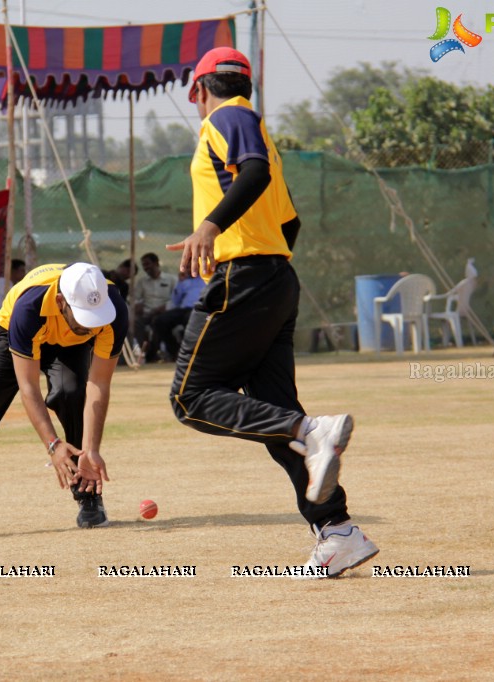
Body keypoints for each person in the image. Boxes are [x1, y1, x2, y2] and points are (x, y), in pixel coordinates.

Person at [166, 47, 377, 578]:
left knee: (189, 398)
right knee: (271, 412)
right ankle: (338, 532)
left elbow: (252, 172)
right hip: (274, 279)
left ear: (197, 90)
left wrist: (211, 228)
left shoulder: (227, 116)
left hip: (244, 277)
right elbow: (290, 224)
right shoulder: (258, 129)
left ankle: (312, 429)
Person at [0, 262, 129, 530]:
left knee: (71, 394)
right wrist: (53, 445)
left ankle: (89, 496)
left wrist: (92, 449)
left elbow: (99, 383)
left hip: (69, 346)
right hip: (12, 332)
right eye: (81, 316)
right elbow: (28, 386)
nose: (89, 326)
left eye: (94, 317)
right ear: (60, 301)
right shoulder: (28, 307)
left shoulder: (113, 312)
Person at [150, 271, 204, 361]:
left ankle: (191, 353)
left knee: (190, 319)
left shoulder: (205, 279)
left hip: (198, 309)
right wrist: (180, 282)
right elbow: (175, 301)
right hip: (183, 309)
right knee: (160, 321)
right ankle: (175, 351)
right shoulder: (184, 281)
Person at [136, 252, 176, 363]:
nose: (145, 267)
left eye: (147, 264)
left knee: (157, 322)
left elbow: (176, 298)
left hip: (164, 313)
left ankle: (154, 354)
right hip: (146, 313)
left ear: (156, 263)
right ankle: (146, 348)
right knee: (134, 322)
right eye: (143, 265)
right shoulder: (142, 282)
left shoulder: (171, 279)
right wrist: (137, 304)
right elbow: (134, 298)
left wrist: (165, 307)